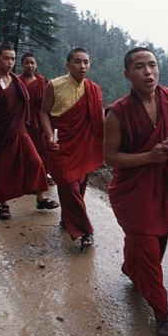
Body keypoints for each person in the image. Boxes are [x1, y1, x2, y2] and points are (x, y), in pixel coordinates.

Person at [104, 47, 168, 336]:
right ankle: (161, 312)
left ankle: (132, 268)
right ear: (127, 74)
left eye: (153, 65)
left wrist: (167, 157)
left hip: (162, 184)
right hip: (131, 192)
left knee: (155, 244)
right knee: (146, 244)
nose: (148, 72)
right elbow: (111, 159)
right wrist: (150, 157)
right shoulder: (118, 113)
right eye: (140, 67)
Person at [0, 44, 58, 219]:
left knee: (36, 162)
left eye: (12, 59)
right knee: (3, 169)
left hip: (19, 130)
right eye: (6, 58)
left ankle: (40, 198)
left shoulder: (16, 80)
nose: (9, 62)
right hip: (0, 133)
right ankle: (3, 204)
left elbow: (26, 104)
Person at [39, 47, 104, 249]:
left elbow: (99, 120)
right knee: (68, 183)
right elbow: (43, 113)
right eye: (77, 61)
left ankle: (69, 218)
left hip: (83, 145)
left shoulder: (93, 89)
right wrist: (50, 135)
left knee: (79, 184)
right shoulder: (54, 85)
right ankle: (85, 230)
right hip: (61, 144)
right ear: (68, 65)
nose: (82, 66)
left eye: (86, 61)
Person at [17, 52, 55, 188]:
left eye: (32, 63)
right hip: (22, 121)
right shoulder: (17, 81)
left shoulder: (42, 81)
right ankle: (26, 177)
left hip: (40, 121)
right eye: (27, 63)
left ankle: (44, 175)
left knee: (43, 149)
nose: (30, 65)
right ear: (22, 65)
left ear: (36, 65)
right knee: (25, 149)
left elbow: (47, 104)